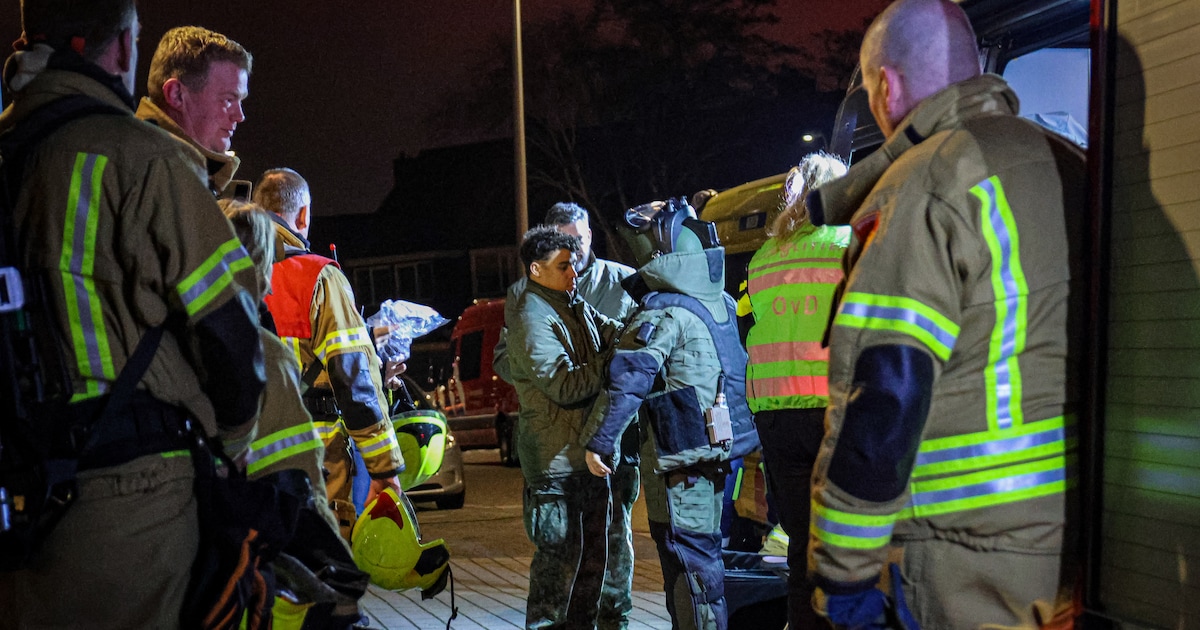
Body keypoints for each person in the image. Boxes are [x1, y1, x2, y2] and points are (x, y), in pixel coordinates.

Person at [803, 0, 1086, 627]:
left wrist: (841, 574)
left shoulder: (924, 182)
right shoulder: (1073, 163)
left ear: (886, 85)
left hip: (962, 568)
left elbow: (884, 396)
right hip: (1074, 553)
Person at [0, 0, 265, 625]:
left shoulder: (9, 154)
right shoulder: (145, 158)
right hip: (133, 504)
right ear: (122, 49)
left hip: (20, 499)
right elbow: (232, 339)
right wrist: (226, 450)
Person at [585, 199, 759, 630]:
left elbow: (630, 379)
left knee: (690, 562)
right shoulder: (715, 300)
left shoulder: (666, 310)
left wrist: (600, 441)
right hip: (717, 451)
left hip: (684, 457)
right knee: (701, 554)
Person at [494, 202, 639, 629]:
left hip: (608, 448)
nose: (574, 259)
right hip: (560, 455)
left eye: (580, 243)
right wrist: (535, 368)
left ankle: (613, 621)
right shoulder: (528, 303)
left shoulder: (605, 285)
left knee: (605, 553)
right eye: (565, 252)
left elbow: (625, 336)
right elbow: (555, 377)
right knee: (560, 563)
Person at [254, 167, 403, 541]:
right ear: (303, 215)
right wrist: (384, 469)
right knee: (322, 572)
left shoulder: (220, 269)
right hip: (312, 461)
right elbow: (353, 378)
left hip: (242, 457)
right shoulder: (318, 277)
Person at [740, 153, 849, 629]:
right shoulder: (849, 243)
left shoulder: (765, 257)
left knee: (801, 543)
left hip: (775, 414)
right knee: (845, 541)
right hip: (830, 408)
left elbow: (749, 324)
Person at [136, 25, 251, 195]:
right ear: (176, 95)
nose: (239, 116)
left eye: (240, 100)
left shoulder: (171, 175)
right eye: (228, 99)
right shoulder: (141, 174)